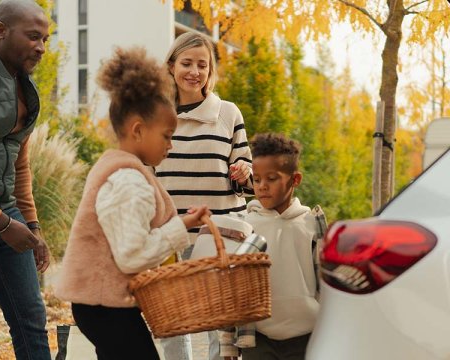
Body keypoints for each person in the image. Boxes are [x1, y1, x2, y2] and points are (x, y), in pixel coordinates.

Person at [54, 47, 210, 360]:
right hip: (104, 305)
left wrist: (182, 223)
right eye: (166, 136)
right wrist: (179, 227)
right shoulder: (128, 181)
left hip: (101, 304)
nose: (170, 145)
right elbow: (132, 255)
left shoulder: (121, 170)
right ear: (138, 130)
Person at [155, 31, 254, 360]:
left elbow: (247, 171)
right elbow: (144, 172)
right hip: (172, 232)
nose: (194, 71)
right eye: (186, 63)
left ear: (211, 71)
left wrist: (242, 169)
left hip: (219, 232)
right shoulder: (156, 115)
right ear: (171, 66)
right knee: (173, 320)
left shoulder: (228, 113)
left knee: (222, 324)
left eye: (202, 65)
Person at [0, 1, 51, 358]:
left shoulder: (26, 88)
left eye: (45, 39)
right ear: (0, 31)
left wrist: (31, 225)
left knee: (31, 319)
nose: (41, 47)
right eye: (33, 36)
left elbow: (19, 163)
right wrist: (2, 223)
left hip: (7, 215)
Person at [221, 133, 321, 360]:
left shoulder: (312, 225)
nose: (262, 186)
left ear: (295, 180)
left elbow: (326, 286)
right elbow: (232, 288)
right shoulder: (245, 226)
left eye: (272, 179)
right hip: (257, 340)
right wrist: (227, 345)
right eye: (256, 180)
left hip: (306, 339)